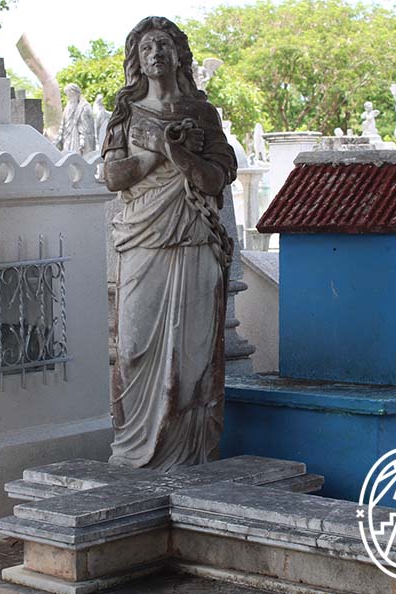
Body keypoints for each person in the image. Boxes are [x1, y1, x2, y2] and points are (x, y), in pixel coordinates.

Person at [102, 16, 237, 471]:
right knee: (134, 346)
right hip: (142, 238)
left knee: (193, 357)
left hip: (194, 237)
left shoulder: (201, 114)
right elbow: (112, 177)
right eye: (146, 48)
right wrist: (155, 151)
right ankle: (135, 448)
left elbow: (219, 175)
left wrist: (182, 156)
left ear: (179, 54)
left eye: (163, 45)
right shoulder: (125, 112)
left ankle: (189, 454)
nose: (155, 53)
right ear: (136, 61)